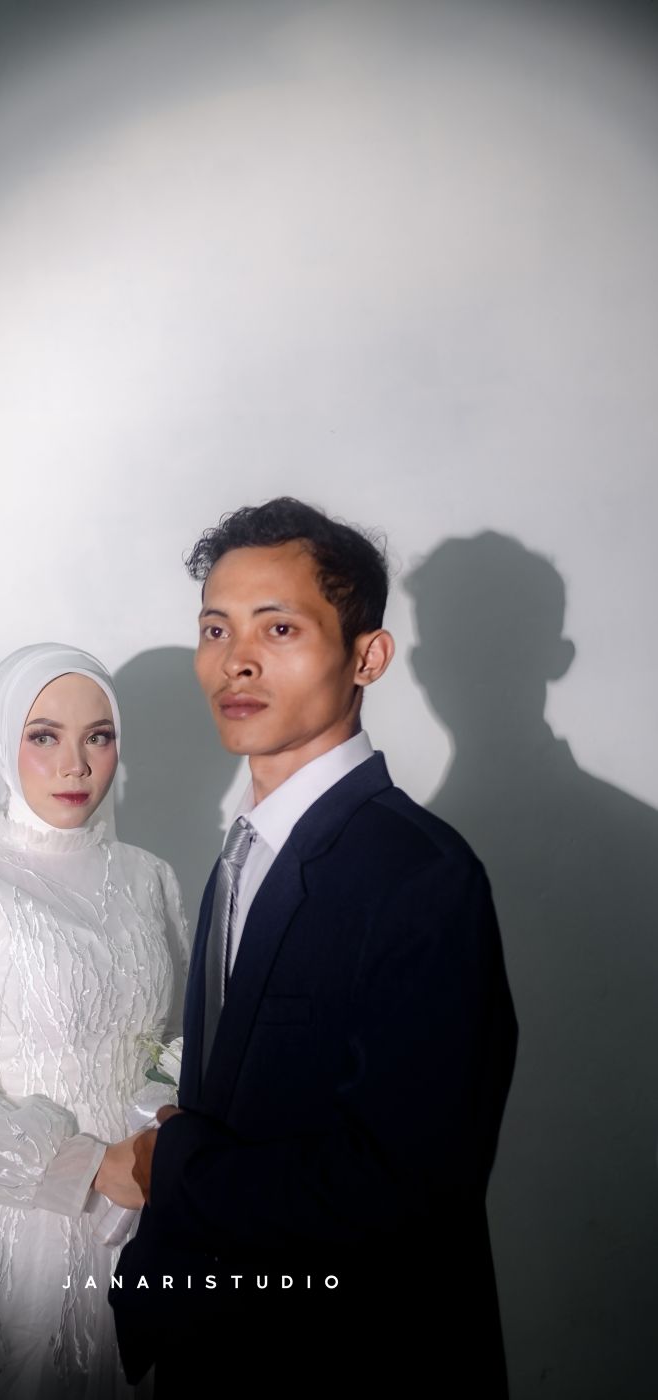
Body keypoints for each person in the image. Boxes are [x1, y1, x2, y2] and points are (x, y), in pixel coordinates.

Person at [110, 499, 518, 1398]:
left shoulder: (420, 875)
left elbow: (405, 1185)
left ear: (367, 657)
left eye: (279, 628)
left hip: (351, 1357)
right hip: (219, 1341)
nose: (236, 659)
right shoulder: (242, 850)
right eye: (215, 629)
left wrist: (172, 1167)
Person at [0, 643, 189, 1399]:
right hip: (17, 1225)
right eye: (44, 736)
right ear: (1, 743)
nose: (75, 765)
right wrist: (87, 1167)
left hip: (146, 1210)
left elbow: (176, 1039)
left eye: (98, 737)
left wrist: (159, 1128)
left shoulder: (150, 877)